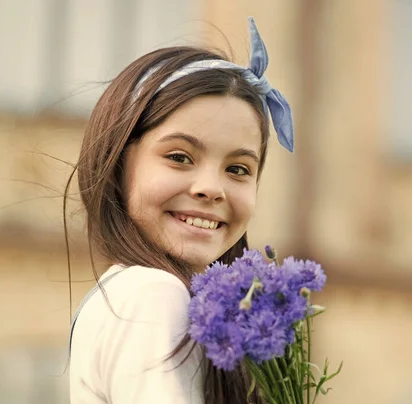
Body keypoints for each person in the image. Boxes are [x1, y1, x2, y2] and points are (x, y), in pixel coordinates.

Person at [66, 17, 294, 404]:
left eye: (238, 169)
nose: (210, 188)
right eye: (179, 157)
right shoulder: (151, 295)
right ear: (119, 162)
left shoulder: (136, 294)